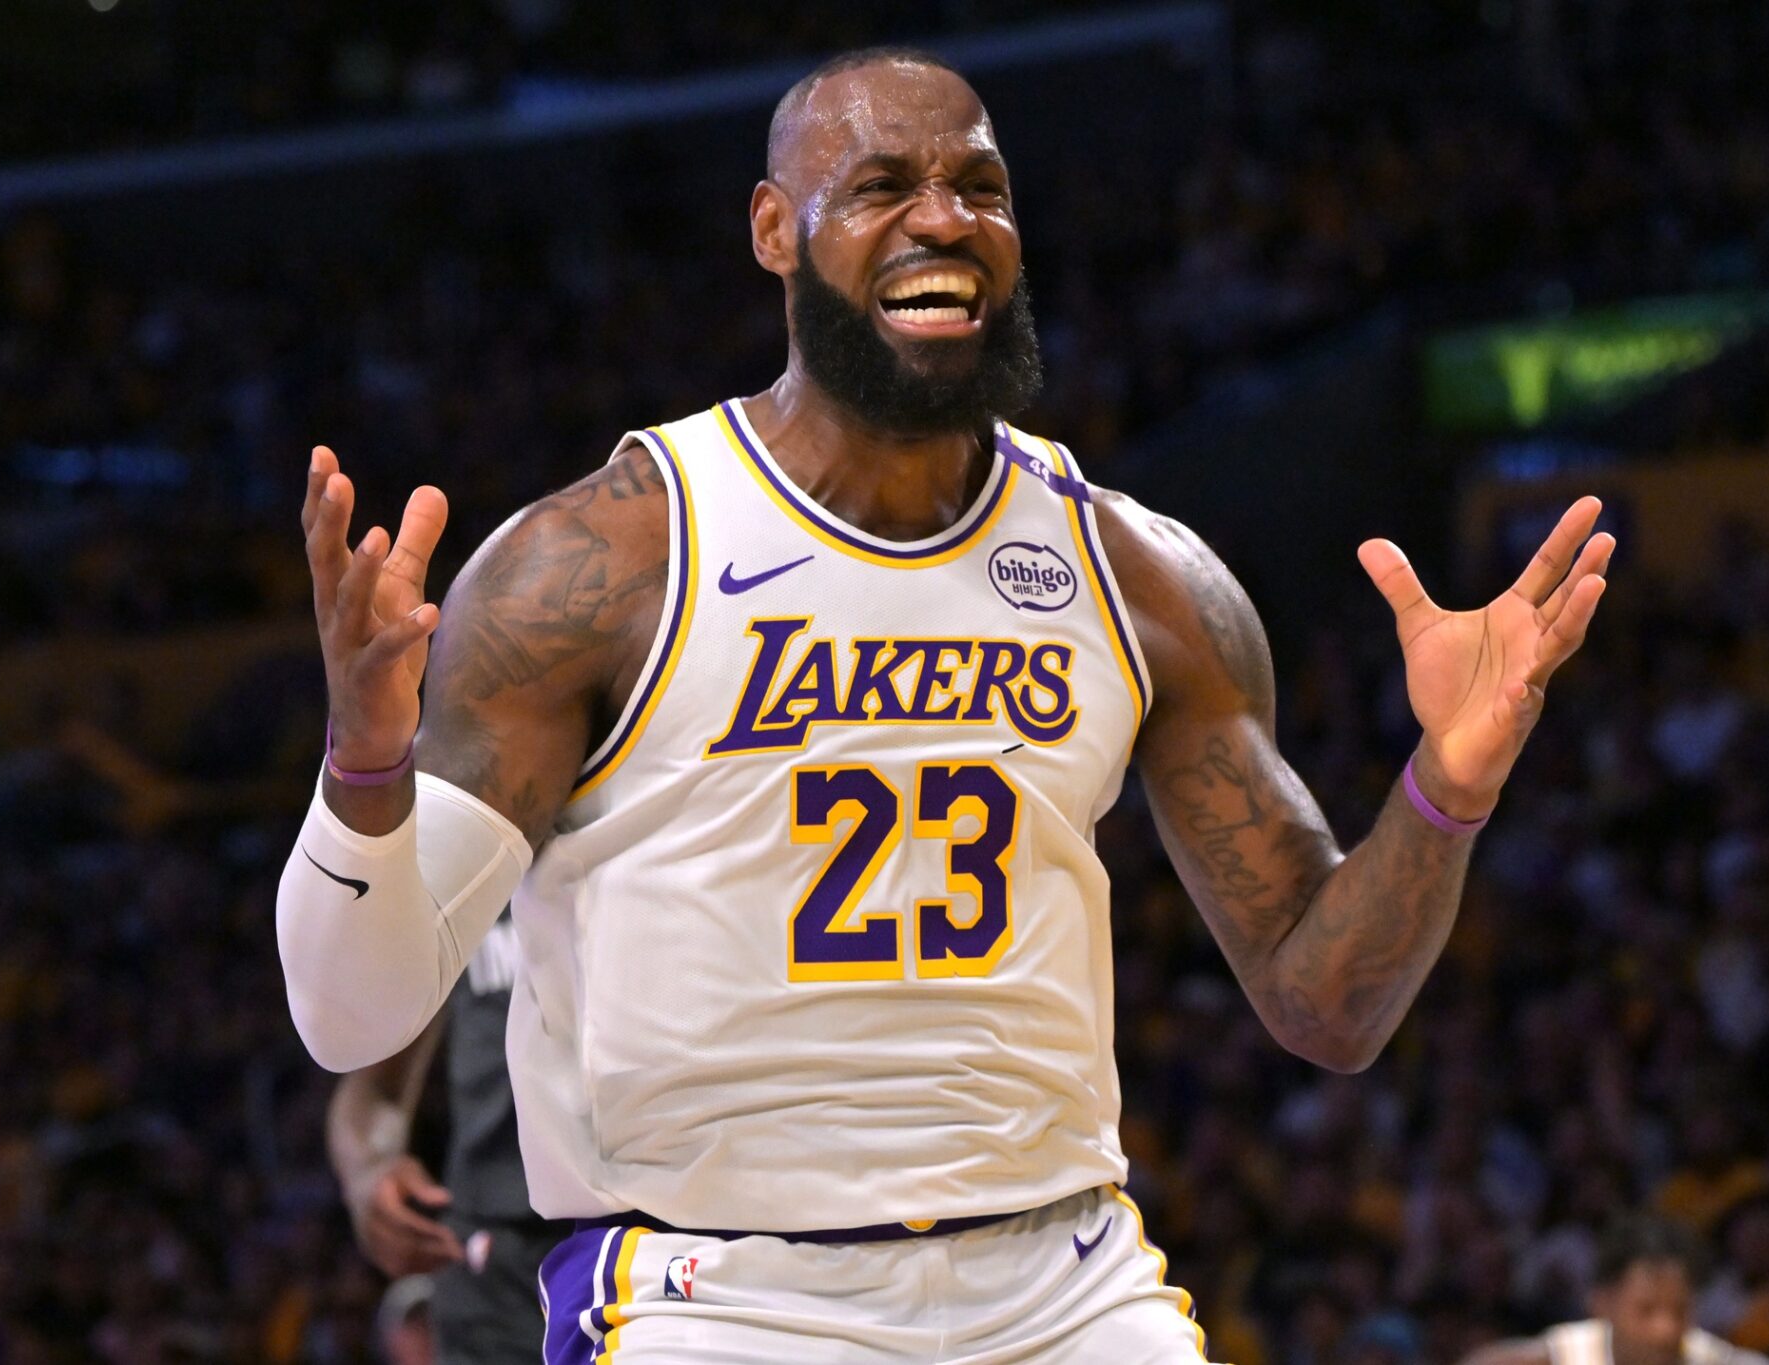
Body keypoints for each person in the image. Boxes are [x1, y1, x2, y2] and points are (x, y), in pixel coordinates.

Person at [276, 45, 1612, 1361]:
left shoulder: (1140, 577)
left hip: (1065, 1283)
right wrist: (365, 763)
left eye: (981, 184)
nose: (943, 218)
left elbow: (1329, 1005)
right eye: (880, 186)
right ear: (773, 231)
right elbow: (351, 1013)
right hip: (719, 1293)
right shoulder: (606, 559)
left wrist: (1450, 787)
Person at [327, 913, 573, 1362]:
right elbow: (373, 1087)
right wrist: (369, 1170)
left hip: (644, 1226)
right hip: (493, 1253)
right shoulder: (465, 878)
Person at [1459, 1217, 1769, 1365]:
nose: (1665, 1328)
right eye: (1646, 1310)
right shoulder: (1557, 1359)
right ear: (1602, 1303)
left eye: (1679, 1310)